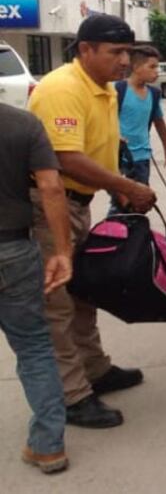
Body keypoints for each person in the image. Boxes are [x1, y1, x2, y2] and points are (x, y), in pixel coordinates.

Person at [28, 14, 156, 429]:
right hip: (50, 207)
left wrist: (114, 187)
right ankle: (72, 395)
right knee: (58, 305)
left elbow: (96, 147)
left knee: (85, 293)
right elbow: (65, 159)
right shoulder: (62, 89)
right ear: (85, 50)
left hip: (79, 202)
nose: (124, 61)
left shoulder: (101, 89)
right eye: (115, 52)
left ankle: (95, 370)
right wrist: (127, 186)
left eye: (127, 53)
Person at [1, 103, 73, 474]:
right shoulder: (22, 123)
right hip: (12, 249)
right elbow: (51, 187)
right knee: (33, 347)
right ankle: (48, 447)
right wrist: (62, 250)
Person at [110, 45, 166, 214]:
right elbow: (103, 119)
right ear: (136, 67)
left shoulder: (153, 94)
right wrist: (114, 137)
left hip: (142, 159)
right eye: (152, 66)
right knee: (121, 205)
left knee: (140, 205)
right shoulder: (118, 90)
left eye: (157, 66)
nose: (157, 71)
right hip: (121, 160)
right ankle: (118, 235)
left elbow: (159, 122)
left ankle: (134, 236)